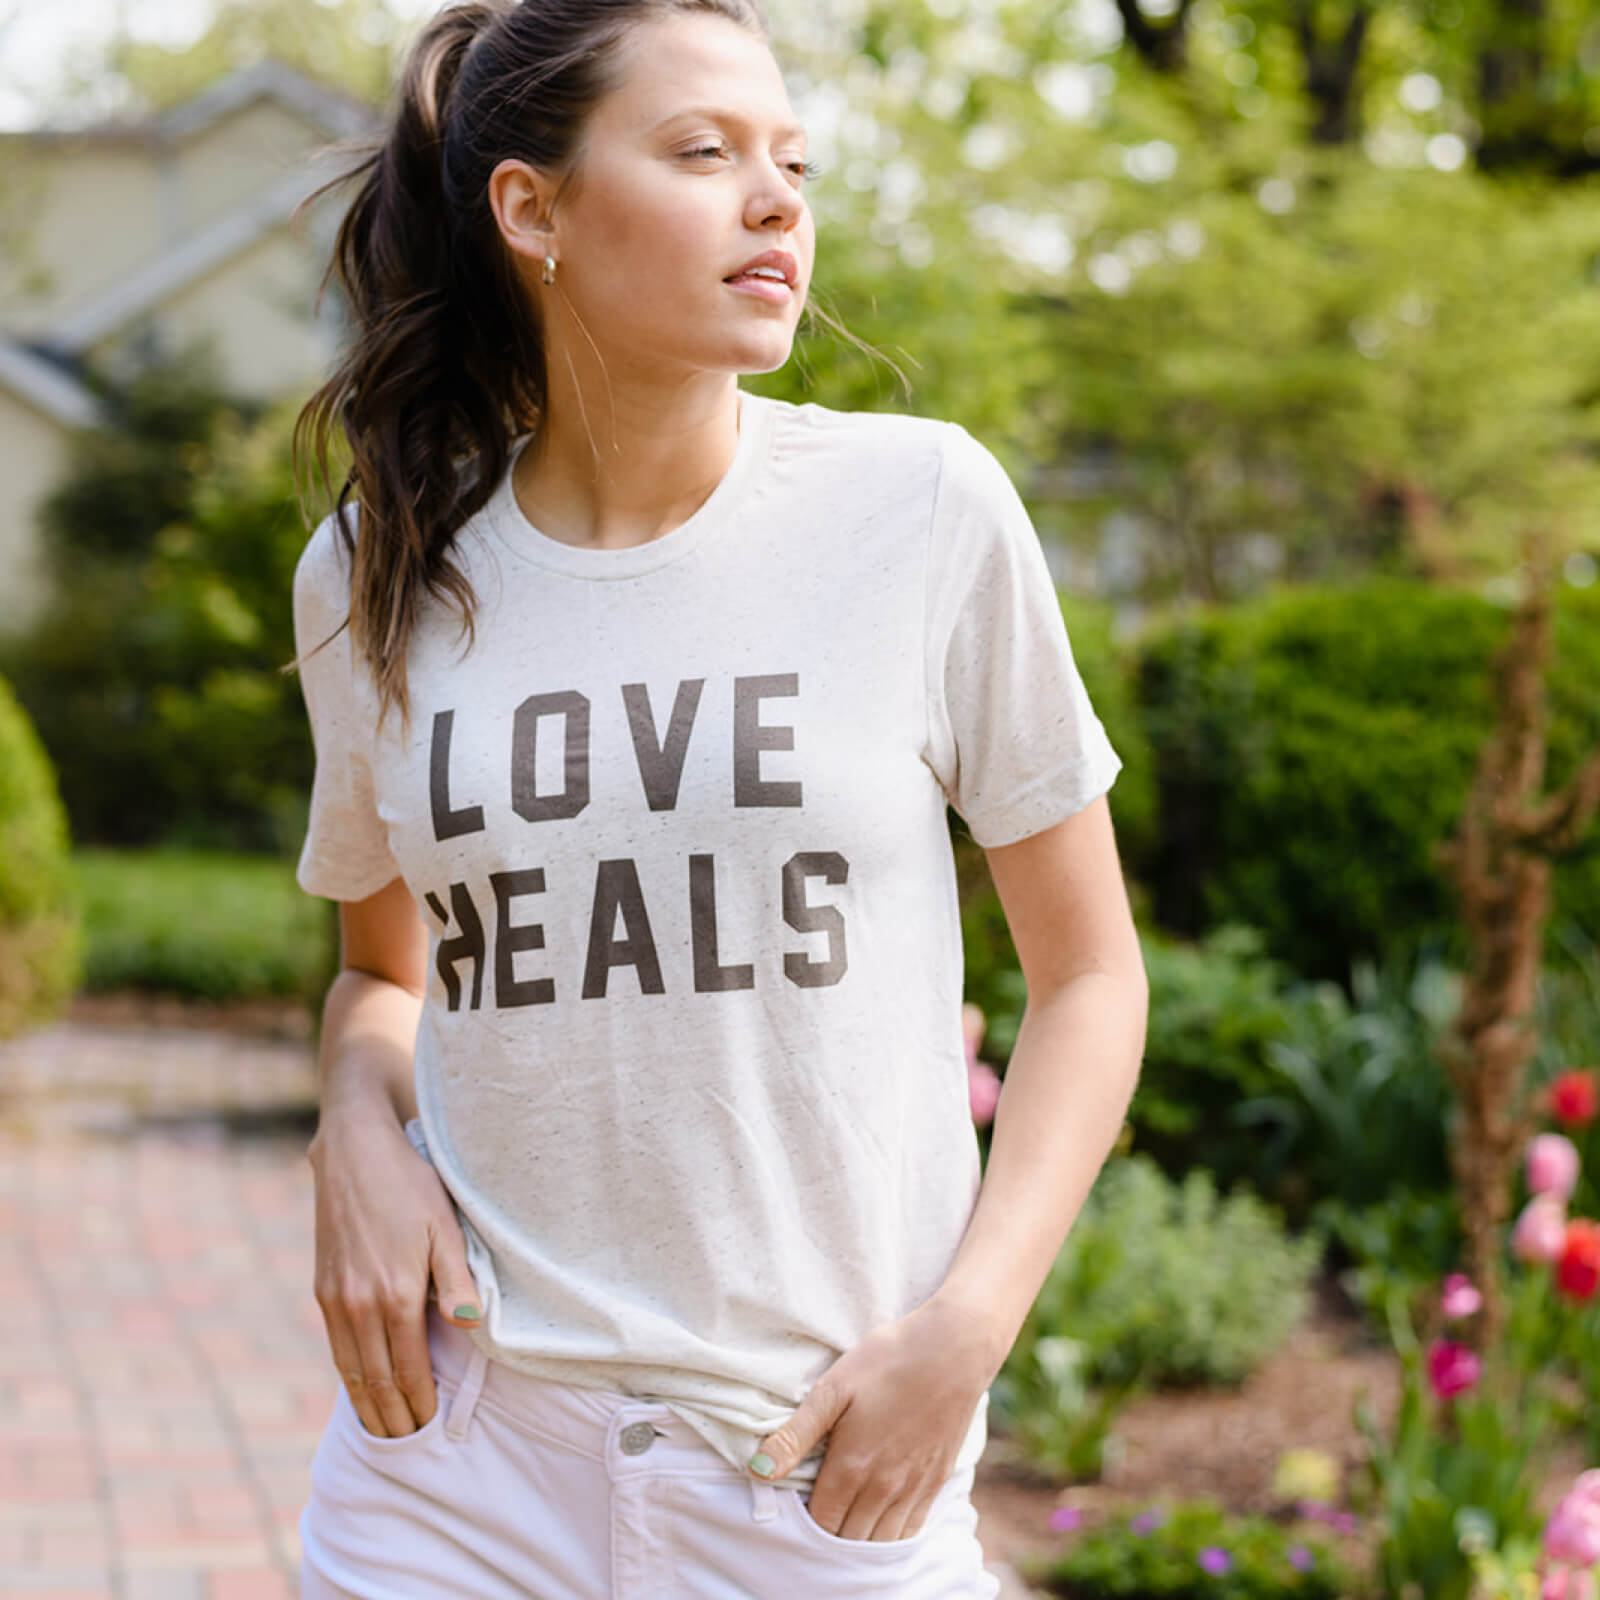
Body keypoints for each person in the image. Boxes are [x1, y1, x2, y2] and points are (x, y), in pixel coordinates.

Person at [288, 0, 1149, 1595]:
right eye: (703, 153)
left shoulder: (923, 509)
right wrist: (351, 1123)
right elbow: (380, 975)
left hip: (809, 1474)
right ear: (531, 209)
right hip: (457, 1460)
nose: (776, 201)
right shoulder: (374, 576)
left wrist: (965, 1336)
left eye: (792, 161)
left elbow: (1092, 978)